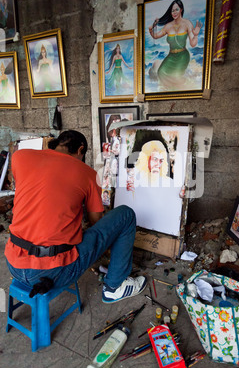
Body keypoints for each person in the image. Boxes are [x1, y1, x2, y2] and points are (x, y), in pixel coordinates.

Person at [4, 130, 147, 303]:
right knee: (126, 214)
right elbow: (96, 223)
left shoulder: (21, 157)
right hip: (54, 272)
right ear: (80, 150)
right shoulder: (89, 174)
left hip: (13, 265)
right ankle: (114, 287)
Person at [148, 0, 202, 90]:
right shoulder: (168, 26)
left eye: (176, 9)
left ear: (181, 9)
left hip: (182, 56)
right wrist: (151, 30)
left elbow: (193, 44)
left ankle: (183, 89)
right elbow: (156, 36)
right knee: (161, 72)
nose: (174, 12)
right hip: (171, 56)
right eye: (172, 11)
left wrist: (196, 35)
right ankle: (170, 92)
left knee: (176, 76)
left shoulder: (187, 23)